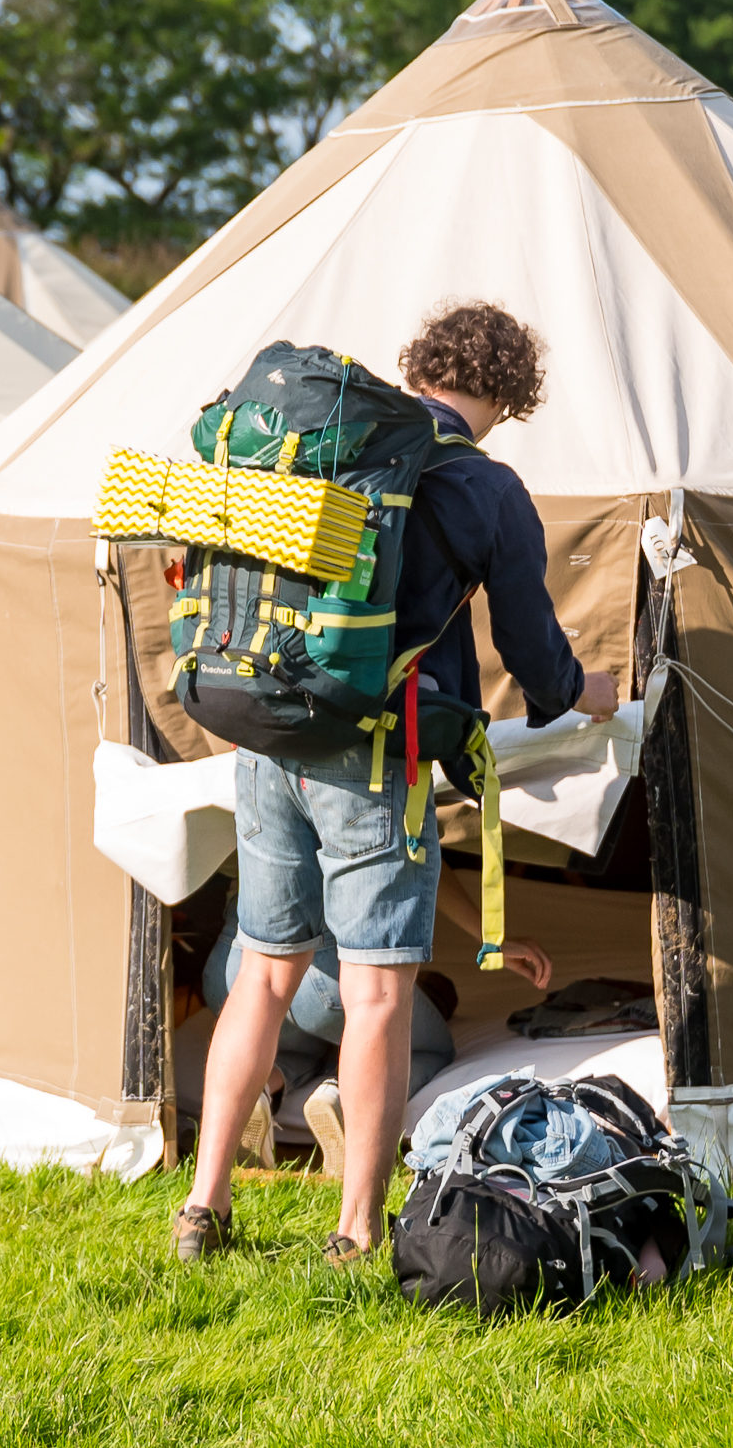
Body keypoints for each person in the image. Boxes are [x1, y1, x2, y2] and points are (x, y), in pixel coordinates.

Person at [173, 301, 620, 1266]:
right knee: (377, 997)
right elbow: (535, 657)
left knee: (259, 976)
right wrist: (588, 692)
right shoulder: (483, 485)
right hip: (375, 759)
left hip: (266, 742)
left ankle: (202, 1207)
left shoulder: (324, 451)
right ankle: (356, 1230)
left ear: (419, 368)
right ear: (506, 395)